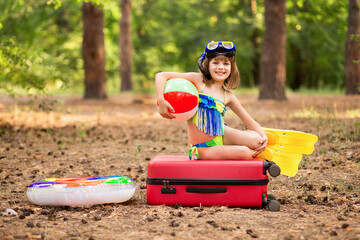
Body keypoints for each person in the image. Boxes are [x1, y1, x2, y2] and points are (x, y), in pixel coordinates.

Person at [155, 41, 267, 160]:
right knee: (245, 152)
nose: (220, 67)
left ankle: (241, 141)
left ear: (232, 68)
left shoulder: (228, 96)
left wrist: (264, 137)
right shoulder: (198, 80)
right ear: (207, 65)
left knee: (257, 140)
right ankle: (233, 148)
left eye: (226, 64)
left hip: (222, 133)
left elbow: (247, 119)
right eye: (215, 63)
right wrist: (161, 100)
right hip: (204, 148)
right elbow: (161, 76)